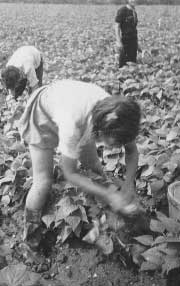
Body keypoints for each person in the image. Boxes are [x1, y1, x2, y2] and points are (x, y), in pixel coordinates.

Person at [18, 79, 141, 251]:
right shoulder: (73, 122)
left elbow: (132, 151)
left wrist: (128, 186)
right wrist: (109, 195)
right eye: (114, 144)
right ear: (101, 131)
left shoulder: (119, 116)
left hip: (74, 110)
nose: (116, 147)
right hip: (43, 114)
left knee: (96, 168)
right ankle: (30, 242)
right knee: (43, 182)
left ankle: (102, 220)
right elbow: (70, 173)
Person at [115, 0, 141, 68]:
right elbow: (117, 26)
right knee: (123, 65)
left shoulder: (134, 12)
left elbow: (134, 29)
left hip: (133, 42)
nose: (133, 0)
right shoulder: (122, 10)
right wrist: (118, 42)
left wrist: (137, 44)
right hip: (125, 41)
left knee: (133, 63)